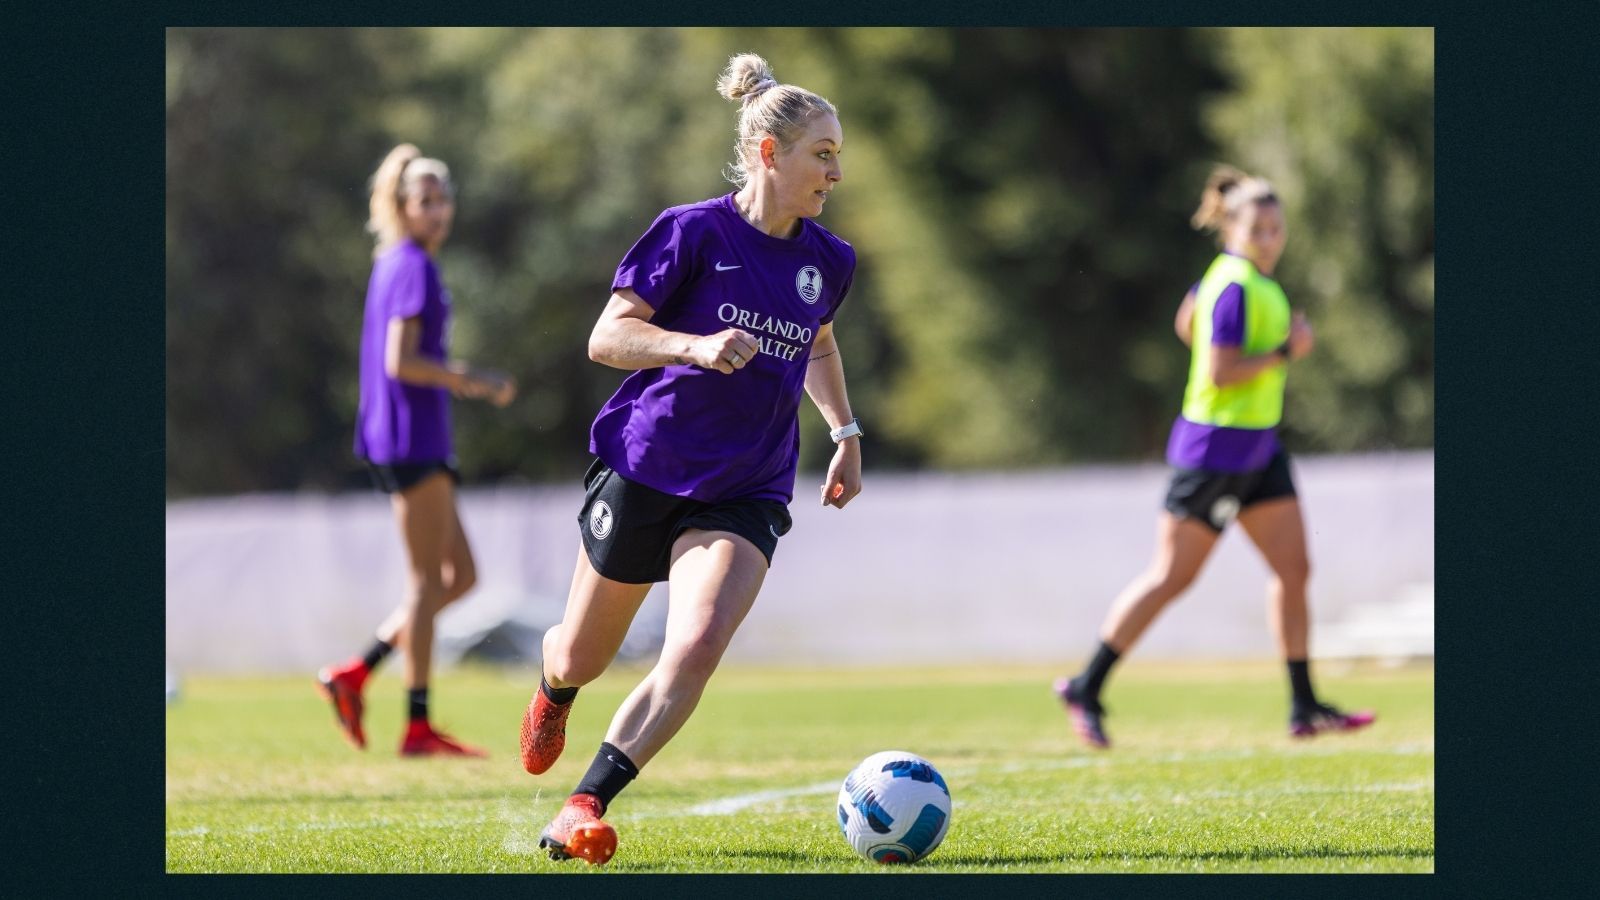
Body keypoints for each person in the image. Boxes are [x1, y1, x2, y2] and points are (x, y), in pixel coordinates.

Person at [517, 53, 861, 865]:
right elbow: (607, 337)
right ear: (769, 154)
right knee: (580, 653)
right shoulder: (691, 232)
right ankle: (555, 688)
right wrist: (695, 347)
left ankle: (584, 802)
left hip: (747, 485)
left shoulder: (829, 261)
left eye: (839, 154)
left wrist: (844, 431)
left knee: (698, 643)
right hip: (648, 466)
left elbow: (818, 343)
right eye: (823, 153)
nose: (836, 172)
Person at [1055, 165, 1375, 749]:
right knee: (1171, 578)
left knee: (1294, 570)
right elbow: (1223, 373)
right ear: (1232, 227)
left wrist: (1251, 347)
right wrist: (1284, 352)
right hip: (1217, 452)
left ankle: (1304, 705)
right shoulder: (1234, 285)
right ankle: (1086, 685)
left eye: (1277, 228)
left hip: (1259, 448)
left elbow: (1187, 324)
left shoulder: (1235, 281)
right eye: (1259, 227)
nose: (1270, 237)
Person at [316, 144, 517, 758]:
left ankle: (358, 671)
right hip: (410, 436)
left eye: (442, 199)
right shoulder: (412, 267)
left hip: (415, 435)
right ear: (404, 207)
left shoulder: (400, 263)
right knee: (430, 582)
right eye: (424, 200)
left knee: (460, 578)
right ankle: (417, 726)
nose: (437, 210)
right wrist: (474, 379)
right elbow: (399, 362)